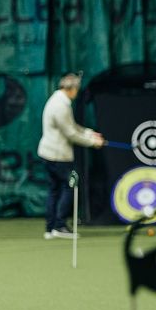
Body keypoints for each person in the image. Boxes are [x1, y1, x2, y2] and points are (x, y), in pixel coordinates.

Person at [37, 73, 105, 239]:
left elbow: (72, 126)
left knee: (54, 189)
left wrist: (90, 133)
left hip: (49, 153)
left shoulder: (59, 100)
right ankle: (59, 226)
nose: (77, 92)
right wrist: (93, 143)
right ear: (72, 89)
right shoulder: (61, 105)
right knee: (70, 186)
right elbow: (71, 134)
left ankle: (50, 228)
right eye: (77, 89)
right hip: (57, 156)